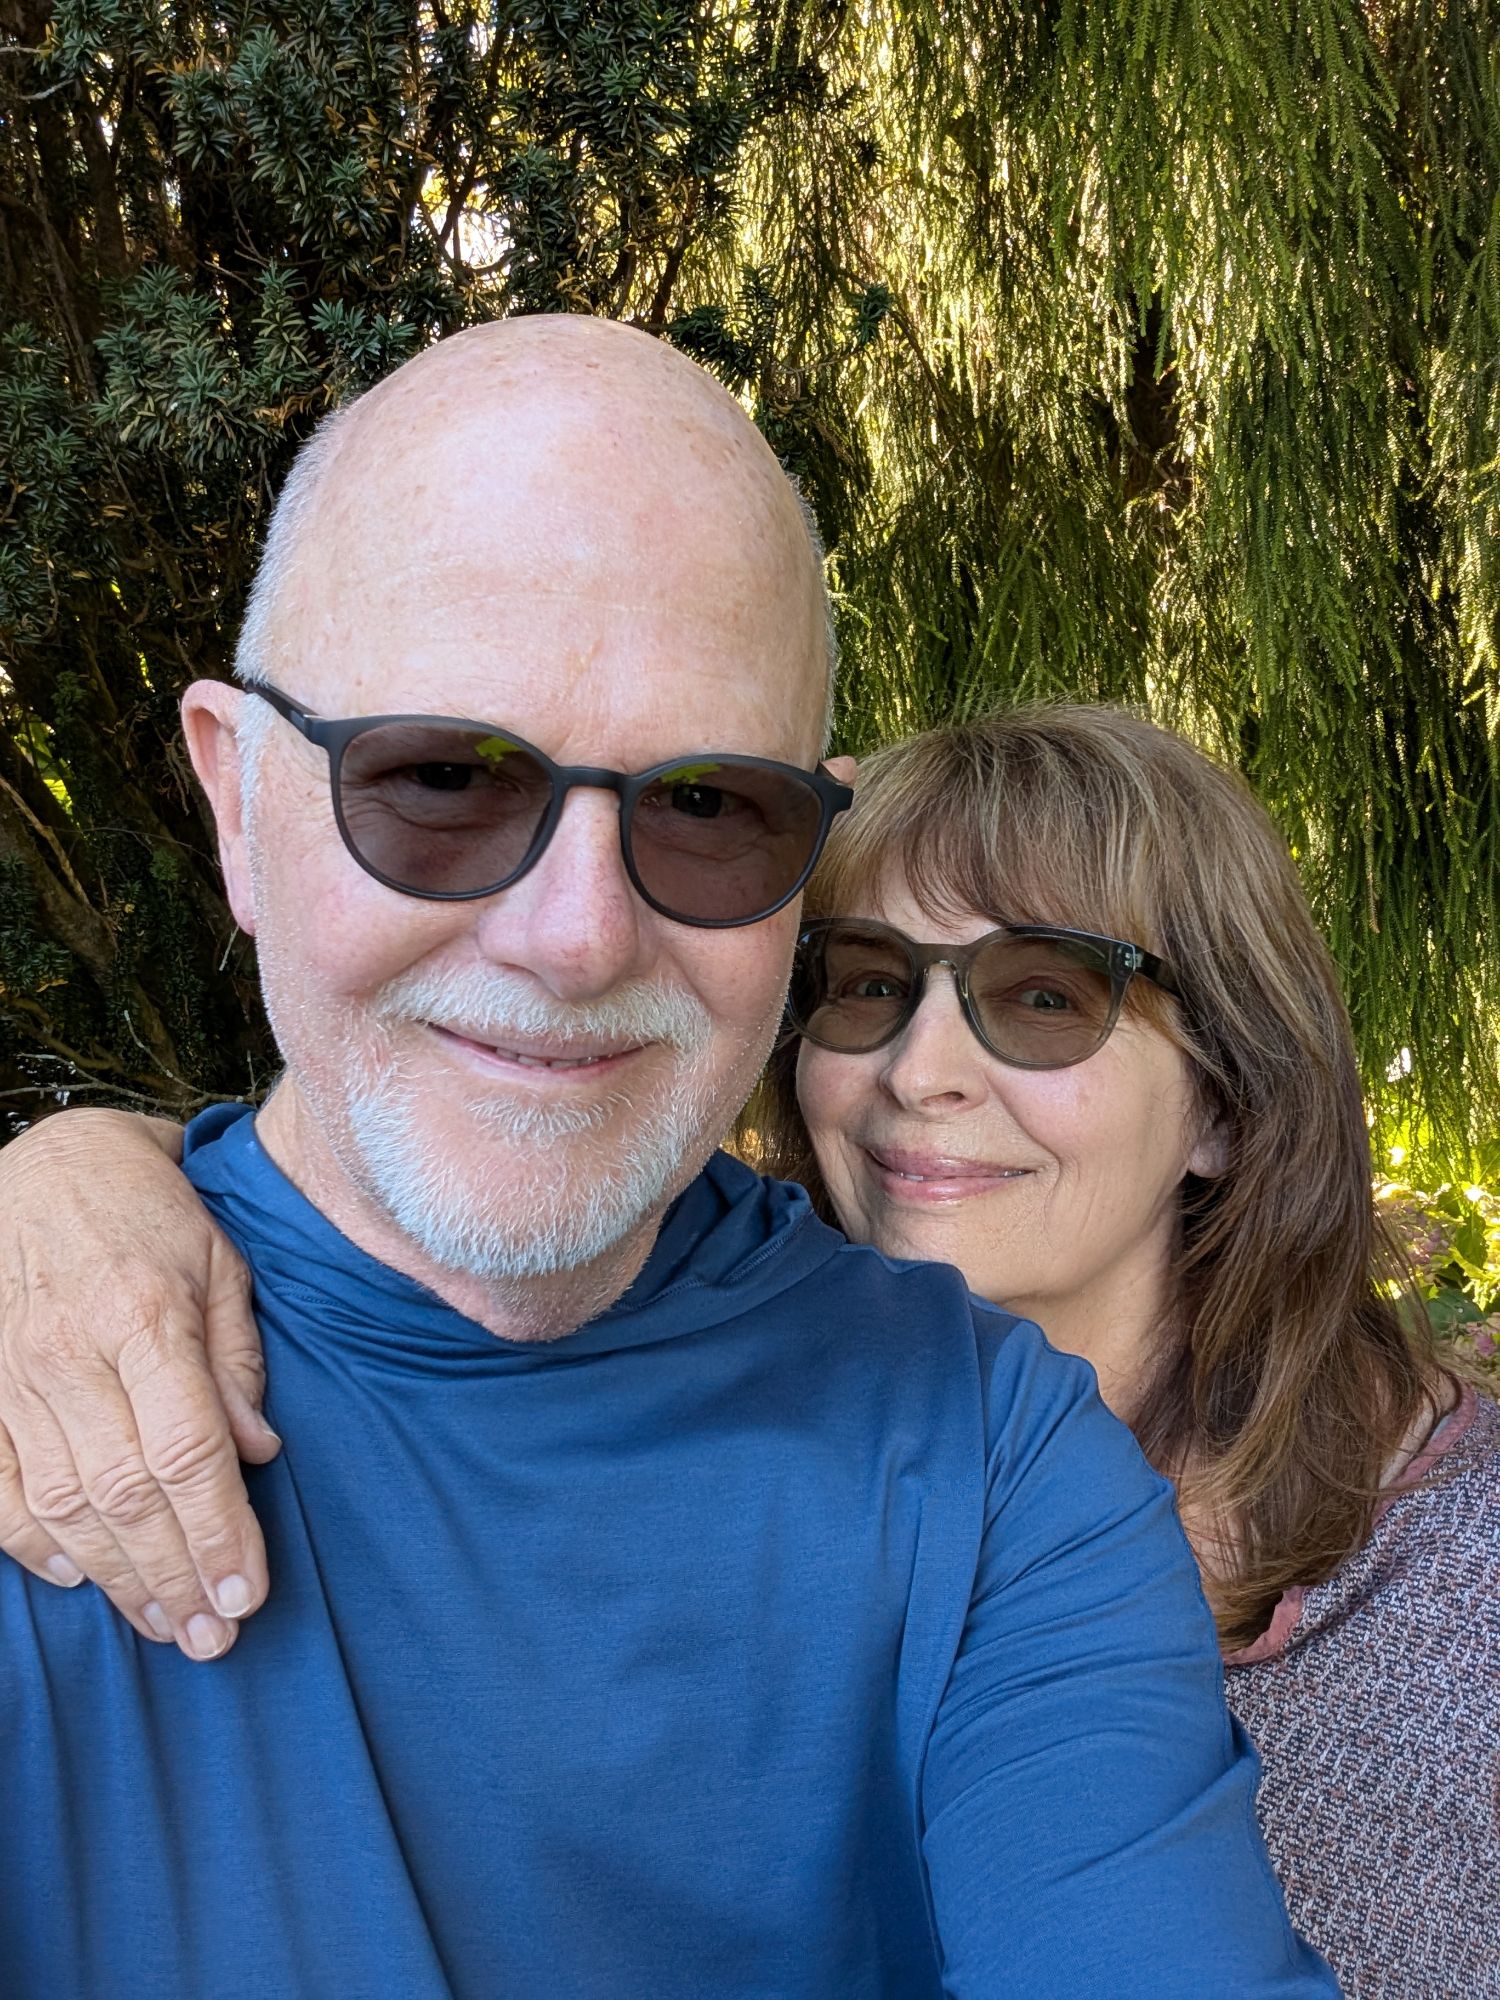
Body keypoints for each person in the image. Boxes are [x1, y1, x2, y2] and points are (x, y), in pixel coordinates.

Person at [0, 318, 1333, 1998]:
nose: (574, 937)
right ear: (235, 798)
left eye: (707, 809)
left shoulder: (996, 1462)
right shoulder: (40, 1381)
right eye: (441, 778)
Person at [747, 705, 1500, 1999]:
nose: (918, 1072)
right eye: (868, 981)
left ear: (1225, 1104)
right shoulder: (714, 1476)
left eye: (1045, 996)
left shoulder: (1467, 1596)